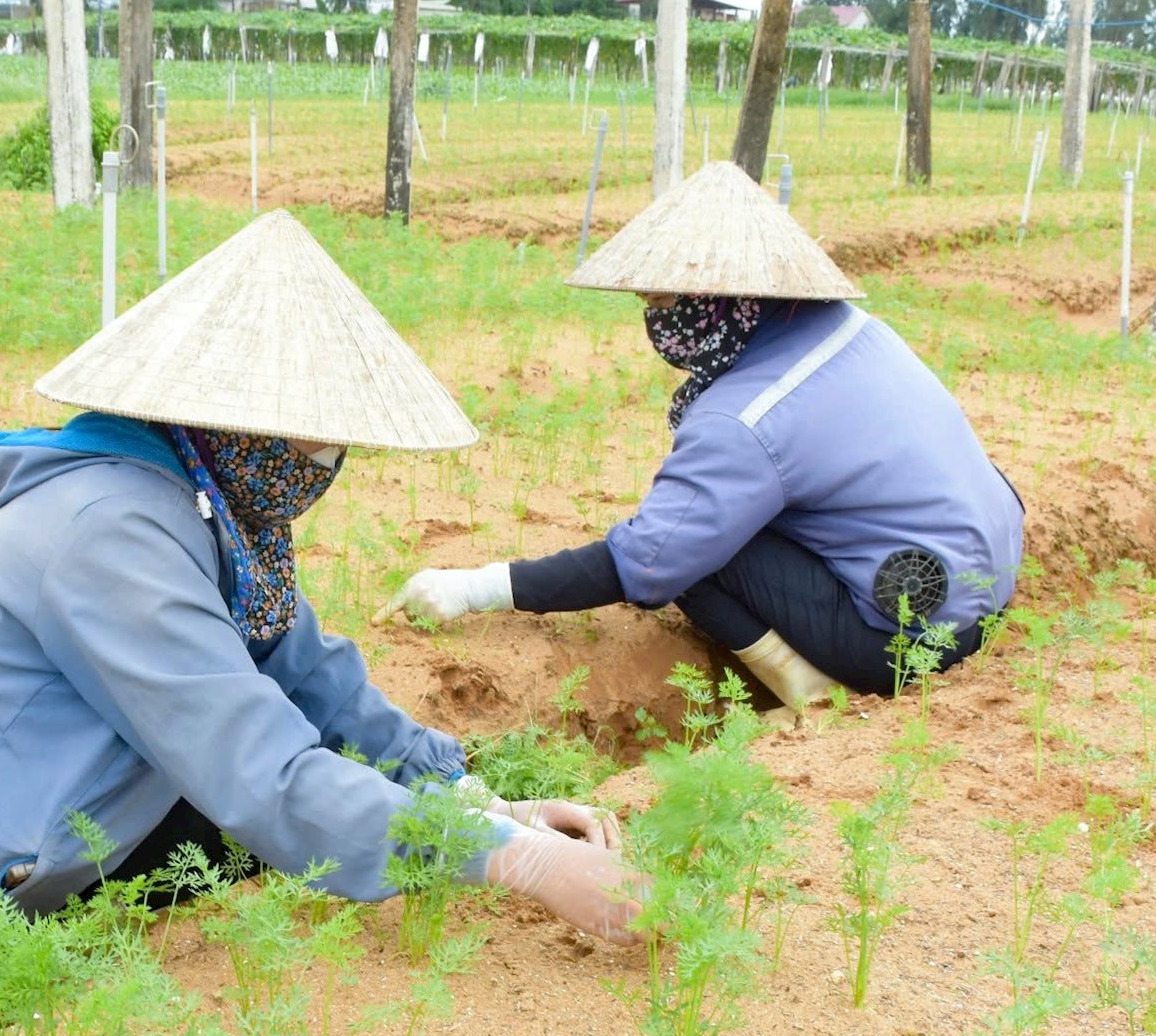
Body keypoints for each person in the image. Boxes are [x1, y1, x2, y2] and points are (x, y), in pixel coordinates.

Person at [0, 212, 636, 1036]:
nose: (327, 461)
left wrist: (478, 801)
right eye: (315, 435)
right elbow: (265, 770)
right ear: (239, 422)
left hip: (64, 824)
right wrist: (516, 863)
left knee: (257, 845)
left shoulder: (219, 511)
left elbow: (319, 690)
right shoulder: (109, 524)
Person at [374, 162, 1025, 710]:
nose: (653, 319)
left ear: (712, 300)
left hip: (908, 632)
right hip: (987, 577)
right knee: (721, 519)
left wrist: (471, 587)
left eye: (660, 302)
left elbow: (647, 561)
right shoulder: (852, 329)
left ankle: (809, 691)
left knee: (692, 551)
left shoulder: (744, 419)